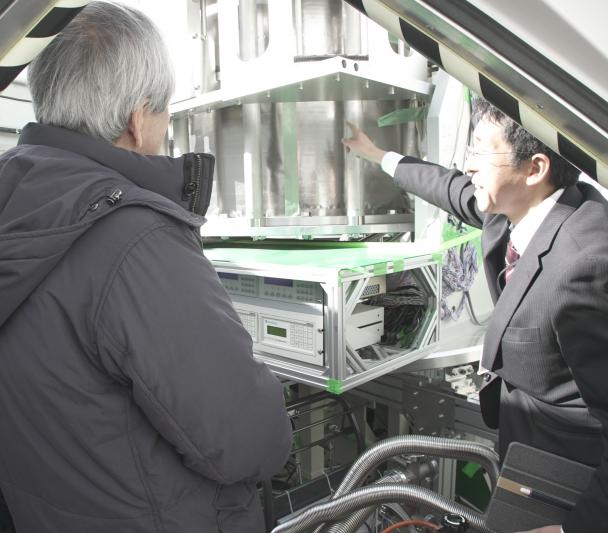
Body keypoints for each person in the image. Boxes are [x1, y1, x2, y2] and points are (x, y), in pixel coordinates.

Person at [0, 2, 292, 532]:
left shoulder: (16, 205)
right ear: (138, 120)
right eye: (165, 112)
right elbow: (246, 441)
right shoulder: (137, 239)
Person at [343, 100, 608, 533]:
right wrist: (376, 155)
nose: (468, 165)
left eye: (481, 152)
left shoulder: (585, 263)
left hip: (569, 478)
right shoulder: (519, 208)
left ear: (535, 167)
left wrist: (576, 529)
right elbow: (449, 188)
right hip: (525, 452)